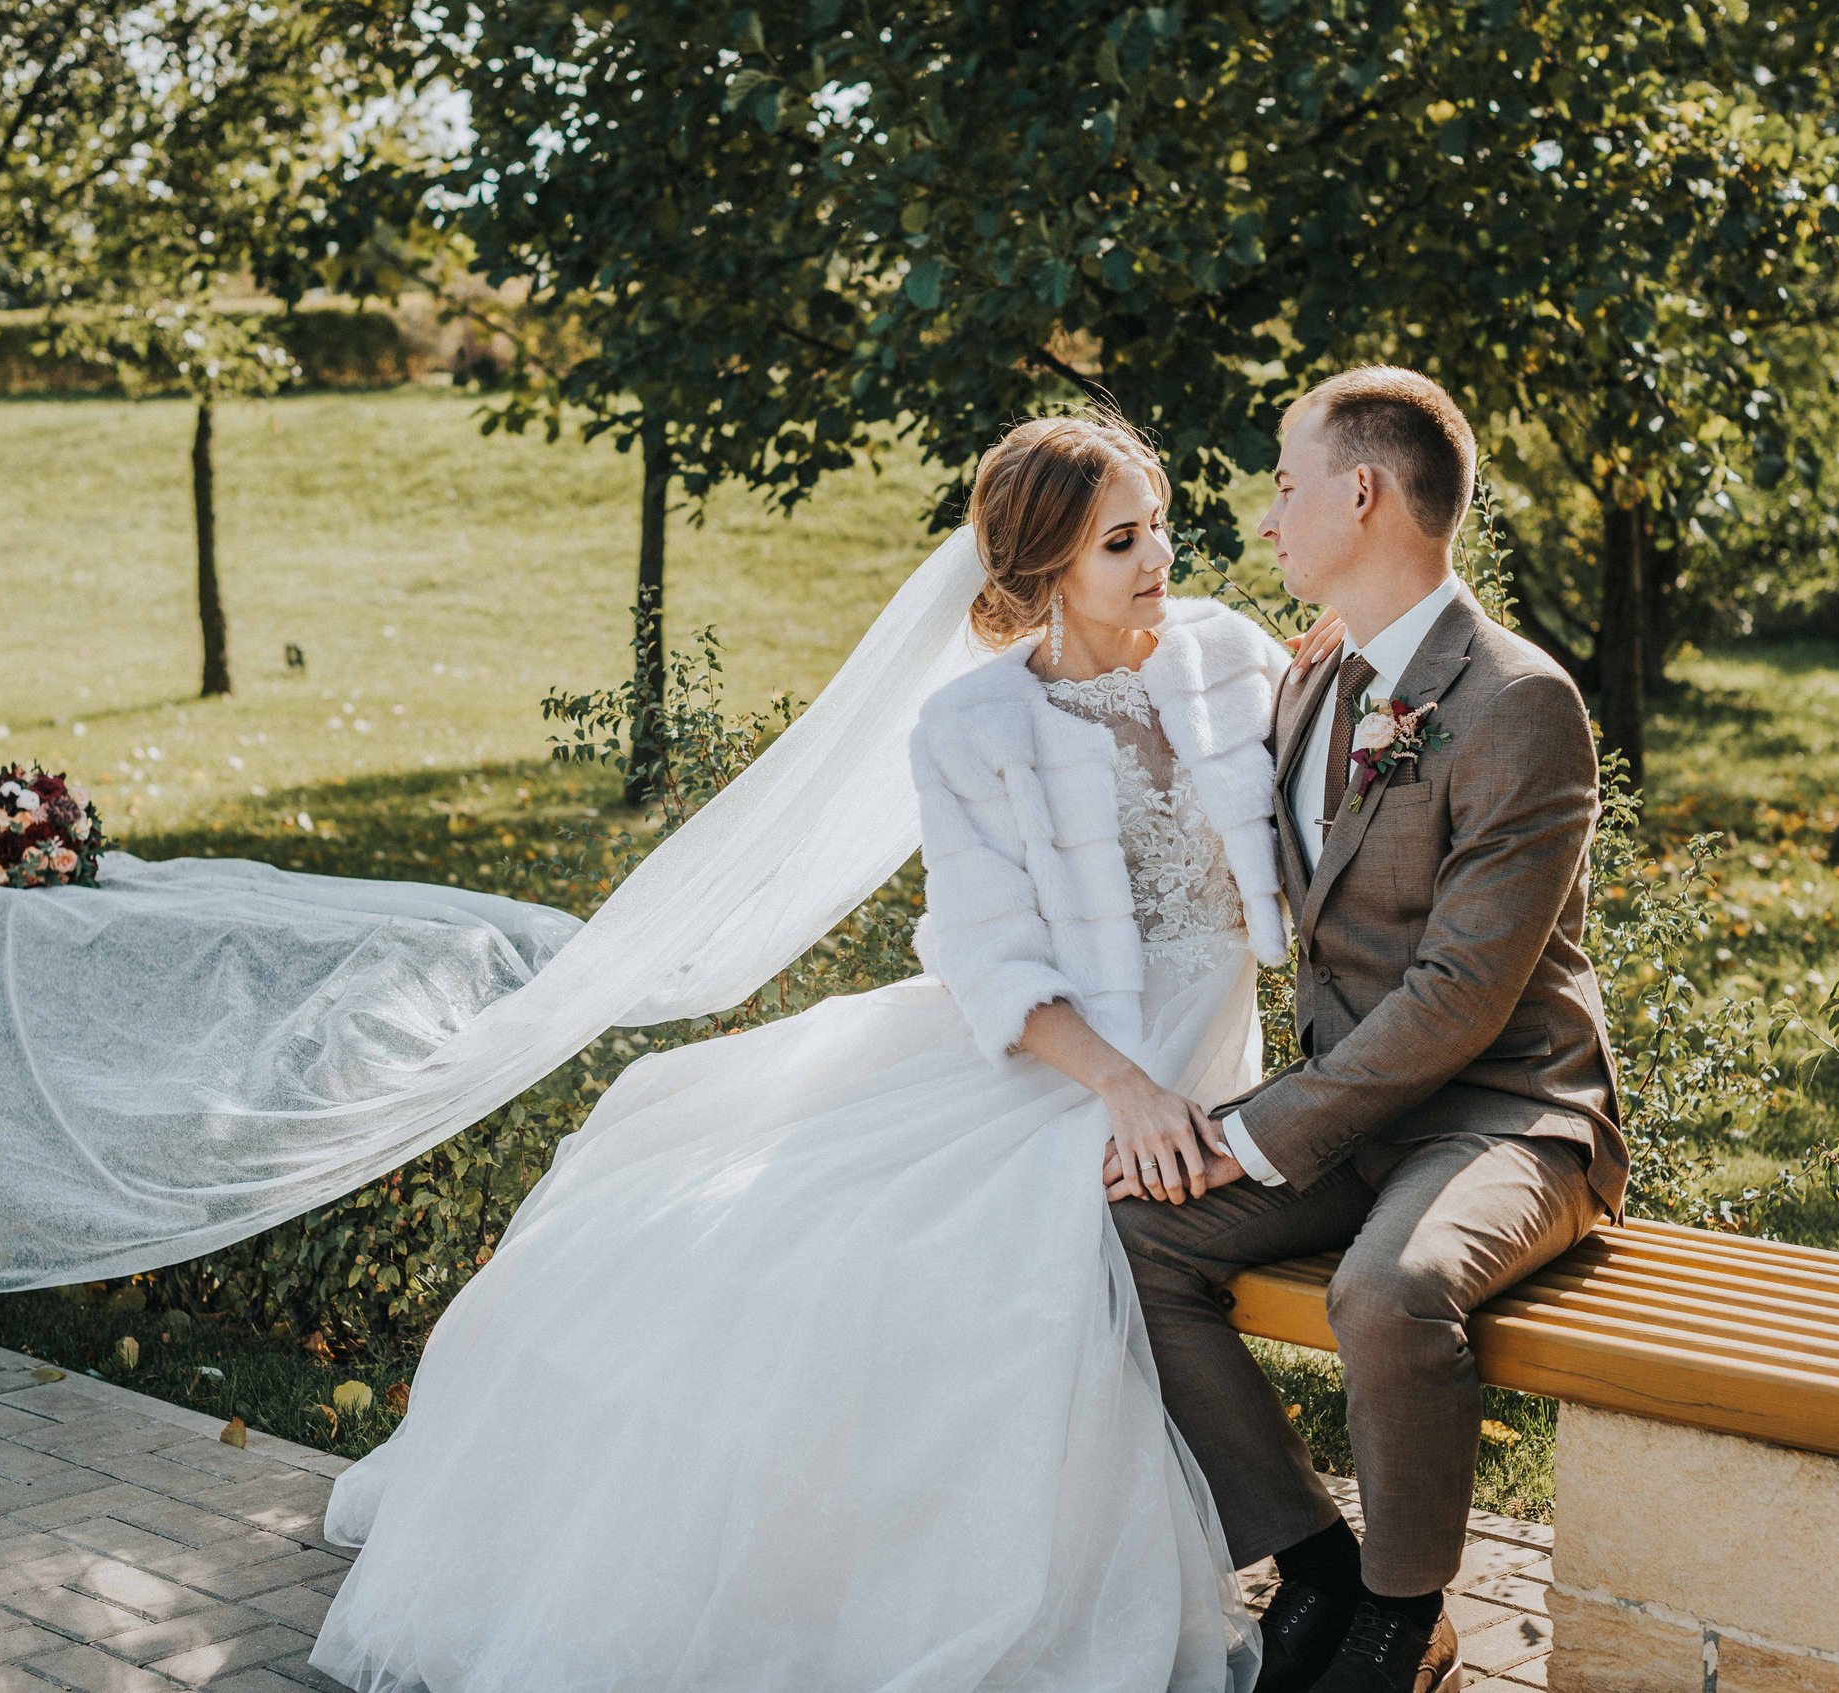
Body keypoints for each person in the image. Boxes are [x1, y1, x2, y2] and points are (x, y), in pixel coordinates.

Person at [305, 412, 1341, 1693]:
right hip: (1064, 1068)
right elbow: (988, 959)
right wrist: (1123, 1089)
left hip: (1201, 1057)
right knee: (815, 1253)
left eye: (1159, 525)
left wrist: (1343, 668)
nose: (1159, 558)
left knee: (975, 1265)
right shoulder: (975, 725)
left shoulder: (1229, 655)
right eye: (1120, 540)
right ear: (1043, 571)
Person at [1109, 367, 1629, 1693]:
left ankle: (1408, 1618)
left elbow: (1462, 995)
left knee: (1386, 1291)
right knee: (1126, 1228)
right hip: (1357, 1108)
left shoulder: (1520, 702)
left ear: (1362, 490)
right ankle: (1314, 1561)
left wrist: (1259, 1132)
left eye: (1287, 485)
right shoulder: (1314, 679)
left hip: (1512, 1113)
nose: (1268, 519)